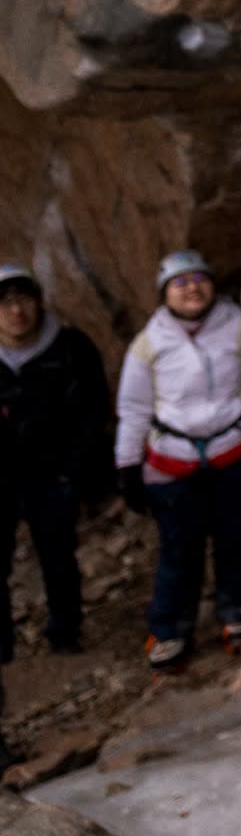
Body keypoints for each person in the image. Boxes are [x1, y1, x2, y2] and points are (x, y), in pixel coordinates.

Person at [114, 249, 241, 669]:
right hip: (173, 461)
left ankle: (240, 614)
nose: (191, 288)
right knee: (179, 548)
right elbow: (134, 409)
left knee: (237, 536)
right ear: (164, 295)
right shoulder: (148, 344)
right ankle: (171, 629)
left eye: (199, 279)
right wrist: (126, 465)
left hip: (237, 451)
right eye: (180, 283)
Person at [0, 263, 108, 661]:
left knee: (59, 556)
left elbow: (94, 410)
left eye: (23, 300)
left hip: (54, 471)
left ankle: (65, 634)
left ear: (39, 302)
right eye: (5, 303)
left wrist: (74, 470)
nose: (16, 312)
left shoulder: (70, 348)